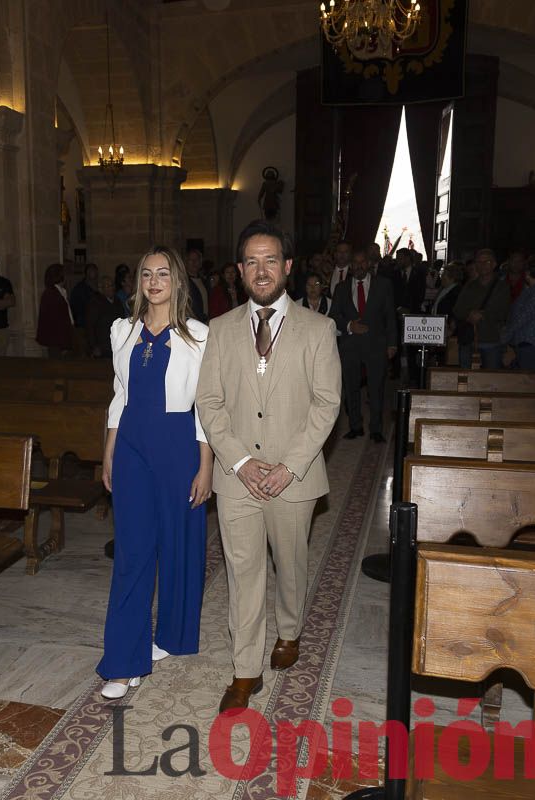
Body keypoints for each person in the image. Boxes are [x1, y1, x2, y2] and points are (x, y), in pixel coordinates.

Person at [195, 219, 341, 712]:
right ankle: (245, 670)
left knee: (290, 562)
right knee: (243, 572)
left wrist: (288, 466)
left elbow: (327, 404)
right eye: (251, 261)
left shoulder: (319, 330)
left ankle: (290, 628)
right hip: (237, 480)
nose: (261, 270)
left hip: (292, 477)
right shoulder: (219, 329)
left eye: (270, 260)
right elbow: (210, 403)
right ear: (239, 270)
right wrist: (239, 461)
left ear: (289, 267)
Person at [98, 246, 212, 699]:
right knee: (132, 553)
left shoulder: (199, 336)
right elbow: (118, 395)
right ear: (139, 282)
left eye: (163, 273)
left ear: (177, 281)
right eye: (147, 273)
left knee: (181, 542)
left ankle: (173, 635)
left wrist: (206, 464)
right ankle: (124, 662)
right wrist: (108, 452)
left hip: (178, 442)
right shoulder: (121, 331)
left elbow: (205, 406)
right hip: (131, 447)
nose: (154, 280)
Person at [330, 250, 397, 442]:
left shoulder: (383, 285)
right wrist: (350, 326)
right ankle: (355, 426)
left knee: (376, 388)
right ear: (351, 266)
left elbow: (390, 316)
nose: (359, 266)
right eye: (355, 263)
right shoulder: (341, 288)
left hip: (376, 344)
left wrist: (392, 343)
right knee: (351, 387)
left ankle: (376, 429)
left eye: (362, 262)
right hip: (350, 345)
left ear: (368, 264)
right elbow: (334, 316)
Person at [451, 248, 511, 370]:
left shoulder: (502, 287)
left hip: (491, 339)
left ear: (494, 264)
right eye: (479, 262)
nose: (482, 265)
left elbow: (504, 311)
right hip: (469, 340)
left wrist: (482, 315)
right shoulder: (469, 286)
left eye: (486, 262)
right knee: (466, 378)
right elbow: (457, 309)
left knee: (491, 380)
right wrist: (469, 315)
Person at [500, 259, 535, 370]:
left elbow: (525, 315)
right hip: (528, 340)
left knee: (528, 378)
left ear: (528, 273)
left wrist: (506, 334)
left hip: (531, 339)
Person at [36, 263, 74, 357]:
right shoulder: (52, 294)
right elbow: (57, 321)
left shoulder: (59, 292)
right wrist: (64, 344)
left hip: (59, 340)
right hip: (56, 341)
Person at [85, 274, 118, 358]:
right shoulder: (95, 303)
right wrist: (94, 346)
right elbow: (90, 326)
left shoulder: (117, 302)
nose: (111, 288)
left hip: (115, 344)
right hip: (102, 346)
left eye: (112, 285)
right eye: (108, 286)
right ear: (101, 289)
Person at [69, 263, 99, 354]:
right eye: (91, 271)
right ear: (86, 273)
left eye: (95, 271)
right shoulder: (79, 289)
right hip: (83, 327)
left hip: (96, 327)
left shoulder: (98, 287)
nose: (93, 273)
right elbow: (75, 308)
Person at [185, 248, 210, 322]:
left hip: (205, 321)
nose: (194, 262)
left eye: (197, 260)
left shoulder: (205, 281)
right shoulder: (183, 282)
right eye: (191, 260)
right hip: (192, 322)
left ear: (200, 262)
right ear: (186, 262)